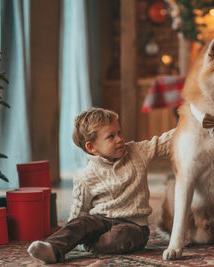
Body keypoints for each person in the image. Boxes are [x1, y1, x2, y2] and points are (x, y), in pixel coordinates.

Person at [27, 107, 174, 263]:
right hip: (100, 220)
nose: (119, 139)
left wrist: (192, 121)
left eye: (119, 132)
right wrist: (72, 230)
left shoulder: (137, 152)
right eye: (111, 136)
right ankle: (52, 248)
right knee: (81, 224)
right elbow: (79, 212)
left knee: (122, 236)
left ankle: (85, 245)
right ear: (92, 147)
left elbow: (162, 143)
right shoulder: (86, 177)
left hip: (133, 225)